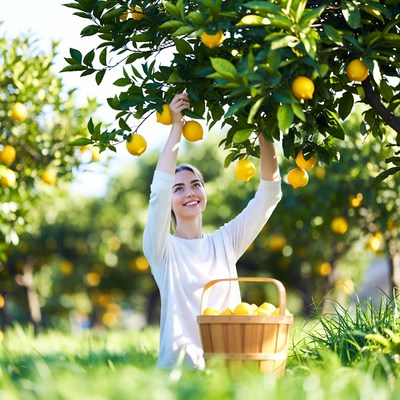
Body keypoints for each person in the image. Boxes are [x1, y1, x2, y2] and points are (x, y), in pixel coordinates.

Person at [142, 92, 282, 370]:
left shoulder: (225, 242)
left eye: (196, 184)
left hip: (229, 367)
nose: (190, 192)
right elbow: (158, 190)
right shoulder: (161, 249)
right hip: (180, 371)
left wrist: (264, 132)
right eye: (178, 188)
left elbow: (270, 194)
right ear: (169, 203)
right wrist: (177, 127)